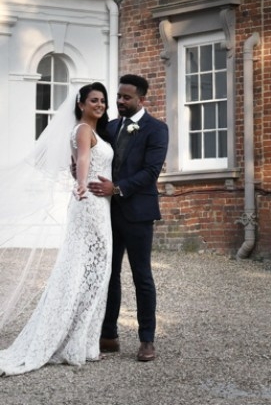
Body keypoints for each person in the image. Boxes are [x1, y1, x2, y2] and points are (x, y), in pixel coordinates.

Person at [0, 83, 113, 375]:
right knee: (89, 271)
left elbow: (79, 159)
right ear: (81, 104)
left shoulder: (88, 131)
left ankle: (83, 342)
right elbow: (84, 159)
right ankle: (75, 343)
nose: (99, 104)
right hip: (89, 203)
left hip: (99, 205)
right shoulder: (83, 130)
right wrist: (81, 184)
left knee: (92, 272)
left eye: (102, 100)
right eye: (93, 100)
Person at [87, 73, 168, 363]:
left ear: (141, 99)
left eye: (126, 97)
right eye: (118, 96)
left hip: (138, 214)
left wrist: (117, 188)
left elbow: (150, 172)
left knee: (142, 276)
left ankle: (147, 340)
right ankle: (108, 335)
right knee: (109, 274)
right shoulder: (109, 127)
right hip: (107, 212)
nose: (119, 101)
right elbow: (95, 154)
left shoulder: (157, 130)